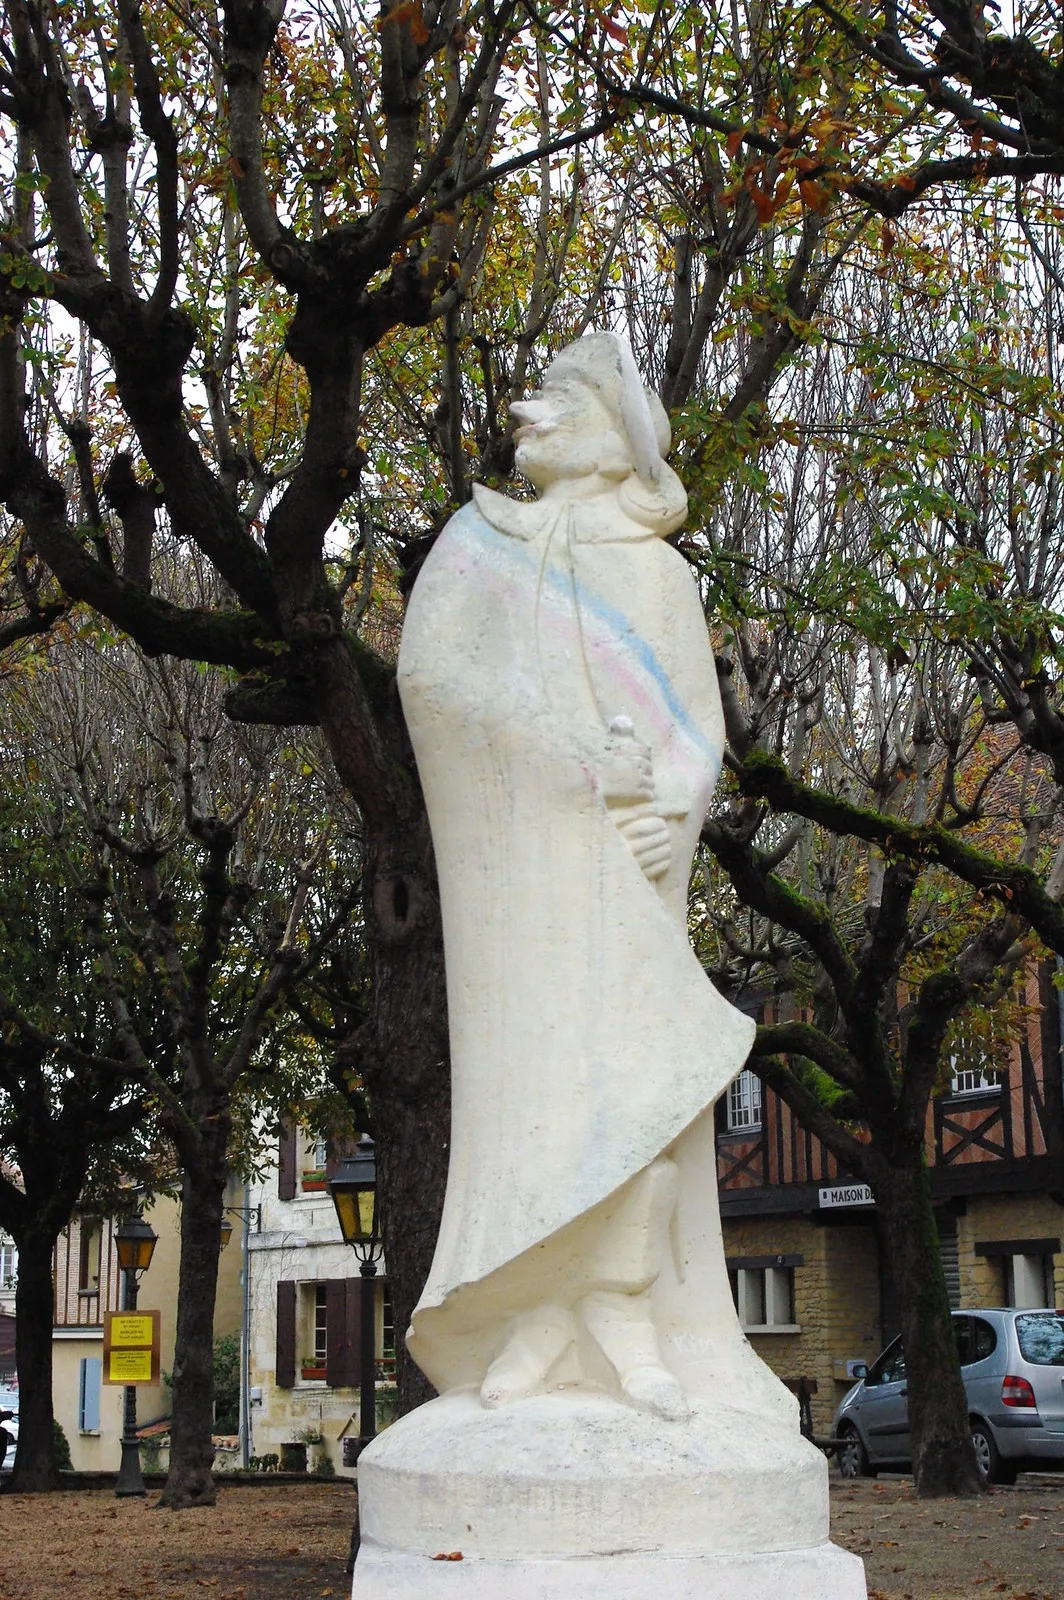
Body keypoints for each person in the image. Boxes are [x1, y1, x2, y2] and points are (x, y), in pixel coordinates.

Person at [398, 331, 759, 1420]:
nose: (525, 408)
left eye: (554, 394)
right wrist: (565, 764)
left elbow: (696, 729)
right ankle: (544, 1313)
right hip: (517, 893)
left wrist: (664, 810)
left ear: (615, 436)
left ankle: (605, 1309)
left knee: (641, 1096)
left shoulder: (657, 575)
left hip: (624, 890)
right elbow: (430, 682)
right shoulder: (477, 544)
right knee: (537, 1106)